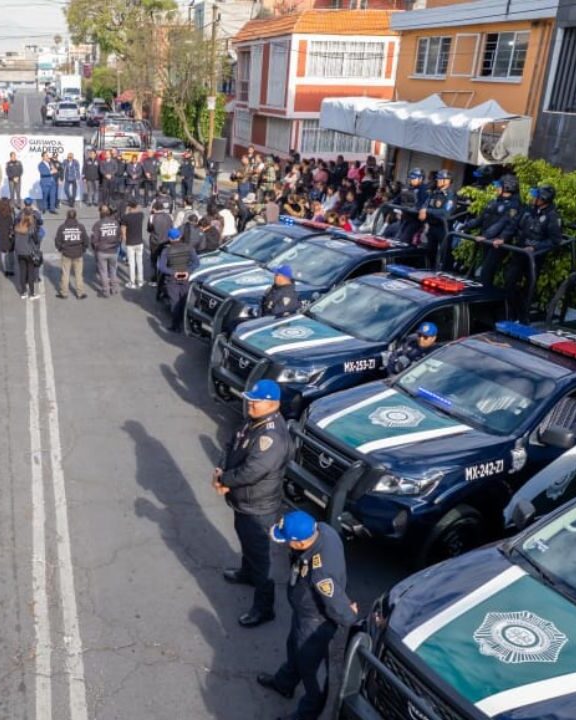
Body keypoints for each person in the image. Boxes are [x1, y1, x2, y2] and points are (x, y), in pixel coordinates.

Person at [256, 510, 358, 720]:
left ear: (300, 543)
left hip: (314, 624)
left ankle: (304, 716)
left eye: (287, 542)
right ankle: (284, 683)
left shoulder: (320, 573)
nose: (285, 545)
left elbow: (337, 606)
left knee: (311, 673)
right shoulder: (324, 530)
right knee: (293, 649)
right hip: (303, 615)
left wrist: (349, 615)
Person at [213, 379, 288, 627]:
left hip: (258, 506)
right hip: (243, 500)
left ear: (273, 404)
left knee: (261, 557)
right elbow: (231, 443)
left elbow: (252, 471)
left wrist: (225, 480)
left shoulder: (271, 436)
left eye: (257, 402)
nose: (251, 405)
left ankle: (264, 608)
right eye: (251, 400)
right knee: (246, 541)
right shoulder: (253, 421)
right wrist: (221, 467)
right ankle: (247, 573)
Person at [502, 183, 564, 322]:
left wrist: (536, 247)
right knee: (510, 281)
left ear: (543, 199)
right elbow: (514, 224)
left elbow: (555, 241)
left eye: (535, 196)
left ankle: (522, 318)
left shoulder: (552, 216)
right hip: (519, 252)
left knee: (528, 289)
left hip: (534, 258)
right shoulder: (529, 209)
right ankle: (510, 314)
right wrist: (503, 238)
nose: (532, 198)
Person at [472, 175, 525, 285]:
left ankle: (484, 299)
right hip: (488, 241)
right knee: (479, 271)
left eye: (499, 186)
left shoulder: (514, 205)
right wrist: (466, 226)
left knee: (486, 273)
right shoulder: (496, 201)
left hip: (497, 244)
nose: (496, 188)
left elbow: (508, 225)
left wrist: (500, 238)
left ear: (507, 188)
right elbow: (482, 217)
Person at [157, 227, 200, 331]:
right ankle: (183, 323)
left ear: (170, 238)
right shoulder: (189, 248)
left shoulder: (166, 250)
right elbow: (196, 263)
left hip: (172, 279)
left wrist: (174, 273)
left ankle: (176, 325)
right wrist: (187, 272)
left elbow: (161, 267)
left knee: (174, 301)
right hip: (185, 278)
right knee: (183, 300)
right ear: (180, 236)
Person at [421, 169, 456, 270]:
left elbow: (445, 213)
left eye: (440, 179)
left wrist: (428, 211)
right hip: (432, 227)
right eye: (438, 179)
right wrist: (425, 211)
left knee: (445, 255)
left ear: (447, 181)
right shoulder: (435, 192)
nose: (438, 181)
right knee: (430, 252)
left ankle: (446, 273)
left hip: (443, 228)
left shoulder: (450, 195)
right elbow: (425, 205)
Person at [54, 209, 89, 299]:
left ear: (67, 216)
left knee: (65, 274)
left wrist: (61, 249)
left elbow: (57, 241)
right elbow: (86, 240)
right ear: (75, 216)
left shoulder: (62, 227)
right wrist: (83, 249)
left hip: (66, 253)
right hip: (78, 253)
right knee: (78, 274)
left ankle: (64, 293)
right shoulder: (80, 227)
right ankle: (80, 293)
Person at [91, 206, 122, 297]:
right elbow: (119, 236)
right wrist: (116, 245)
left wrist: (96, 248)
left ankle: (106, 291)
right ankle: (114, 289)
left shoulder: (98, 224)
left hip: (102, 251)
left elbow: (94, 239)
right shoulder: (115, 223)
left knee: (103, 272)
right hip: (113, 250)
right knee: (113, 270)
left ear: (101, 214)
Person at [13, 211, 42, 299]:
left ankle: (23, 292)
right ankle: (32, 293)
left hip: (19, 252)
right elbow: (36, 240)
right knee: (30, 273)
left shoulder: (17, 227)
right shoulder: (31, 229)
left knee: (22, 272)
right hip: (29, 253)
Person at [119, 200, 146, 289]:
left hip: (130, 242)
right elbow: (139, 210)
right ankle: (140, 281)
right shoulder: (141, 215)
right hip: (139, 242)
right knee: (139, 262)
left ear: (129, 206)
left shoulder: (125, 217)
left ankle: (132, 281)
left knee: (132, 263)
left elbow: (123, 230)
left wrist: (125, 239)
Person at [148, 200, 174, 290]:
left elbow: (149, 229)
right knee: (164, 260)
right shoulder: (169, 216)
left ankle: (154, 279)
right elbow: (171, 227)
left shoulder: (152, 217)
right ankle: (163, 278)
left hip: (155, 241)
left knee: (154, 260)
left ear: (154, 208)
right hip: (166, 241)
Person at [0, 197, 17, 278]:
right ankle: (11, 269)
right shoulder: (11, 212)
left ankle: (6, 270)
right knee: (11, 253)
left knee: (3, 253)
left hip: (1, 234)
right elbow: (15, 223)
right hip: (10, 234)